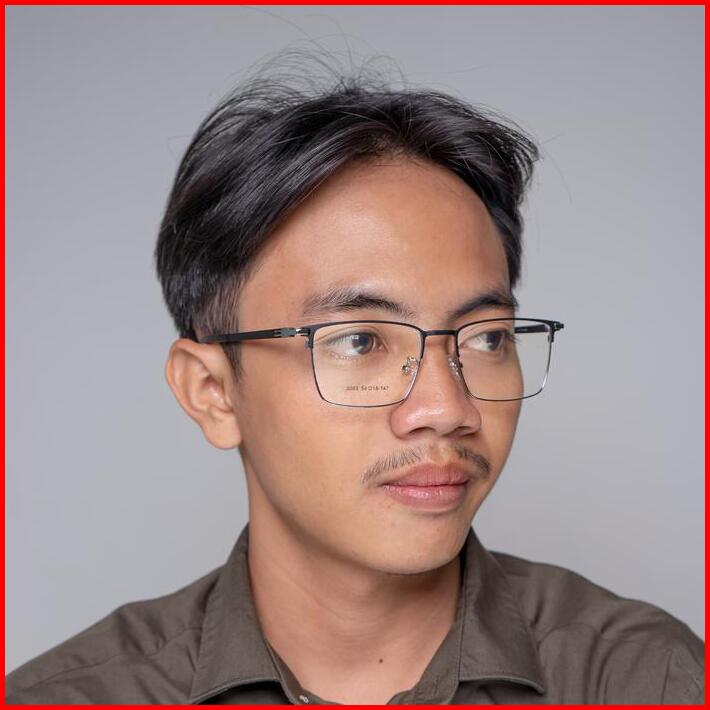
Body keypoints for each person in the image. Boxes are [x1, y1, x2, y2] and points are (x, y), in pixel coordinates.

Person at [6, 54, 704, 705]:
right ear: (213, 392)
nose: (447, 408)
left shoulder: (643, 679)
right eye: (360, 340)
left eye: (486, 337)